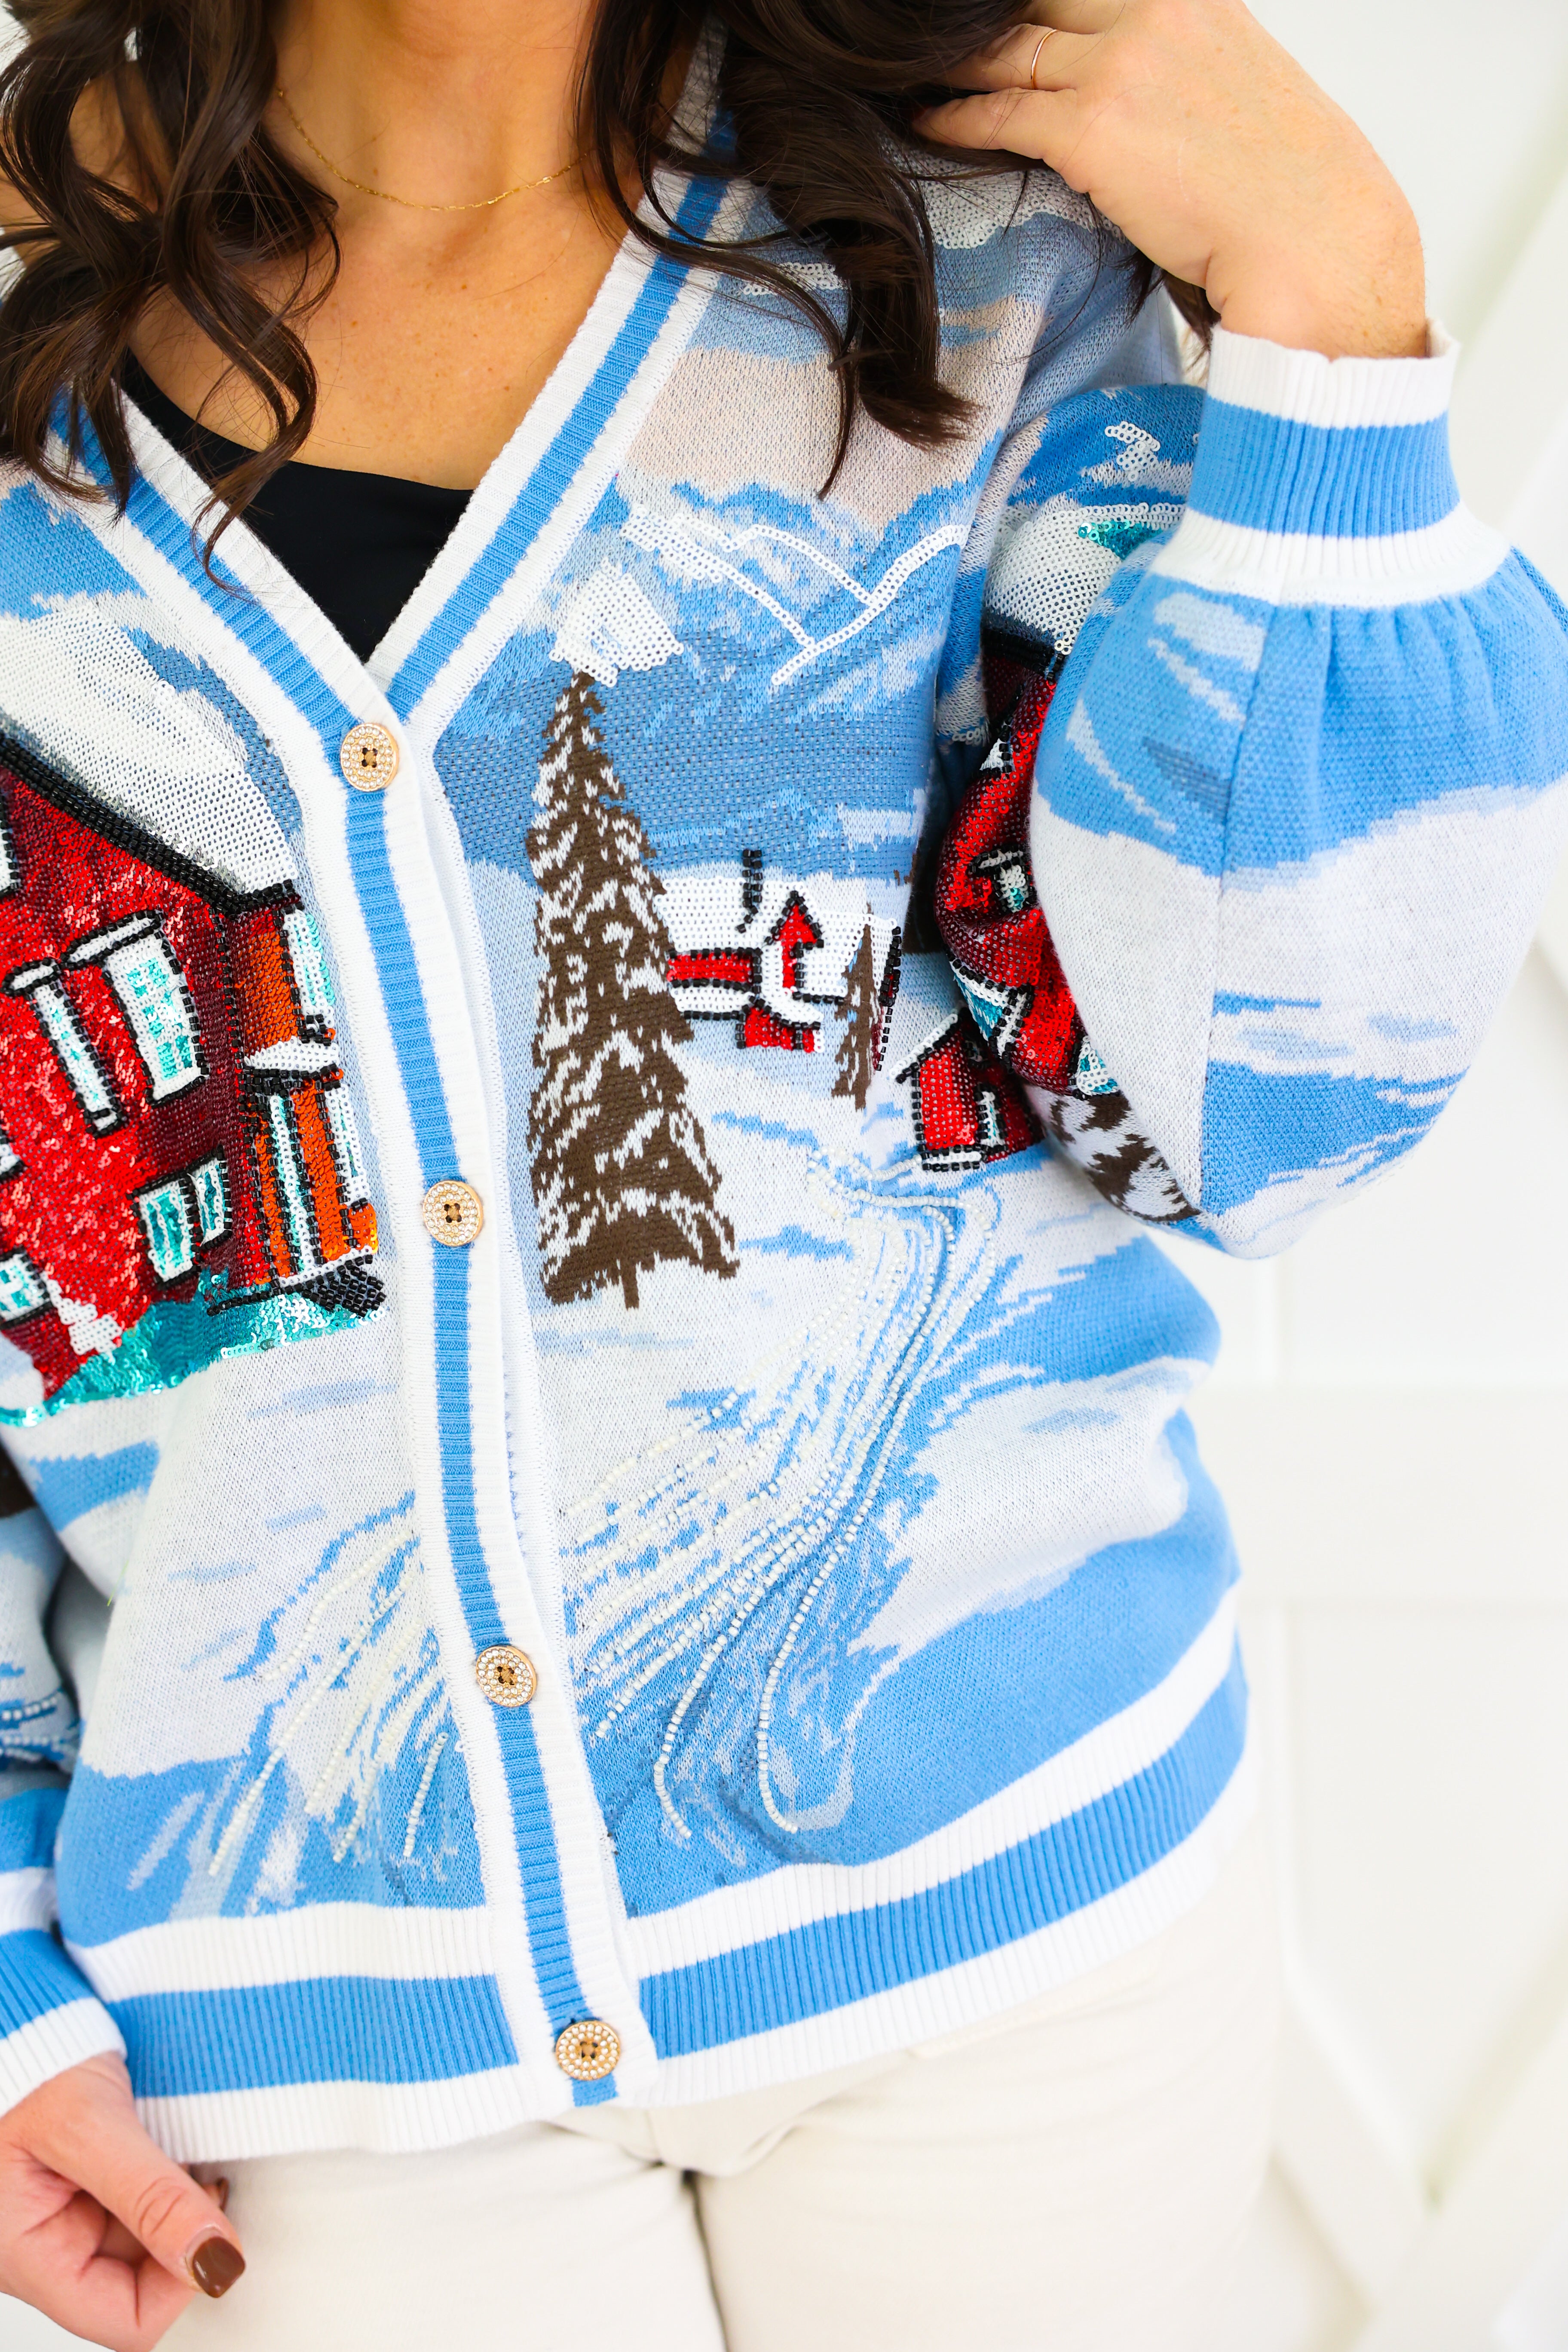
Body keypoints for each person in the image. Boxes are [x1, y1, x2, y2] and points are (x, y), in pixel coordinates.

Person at [0, 0, 1561, 2343]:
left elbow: (1267, 1113)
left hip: (1019, 1940)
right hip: (307, 2030)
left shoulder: (982, 269)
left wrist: (1333, 302)